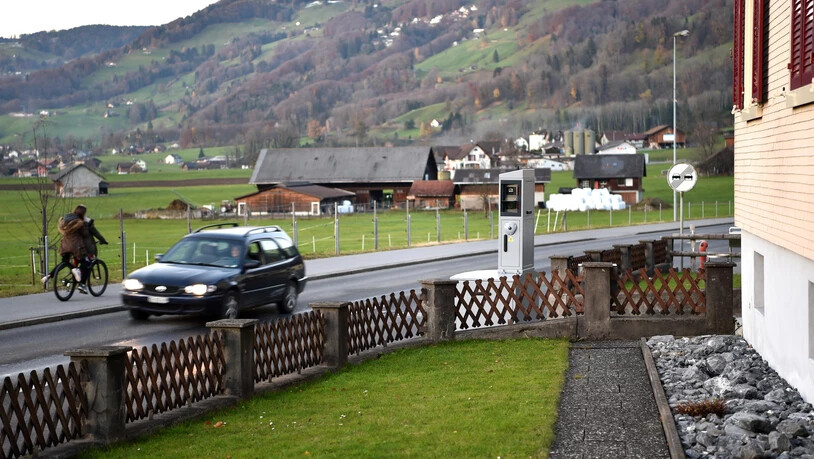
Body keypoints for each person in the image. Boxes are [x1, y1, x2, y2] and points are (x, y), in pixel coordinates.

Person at [42, 205, 107, 293]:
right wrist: (89, 224)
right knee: (86, 263)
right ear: (83, 213)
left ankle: (49, 275)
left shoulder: (66, 221)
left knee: (65, 262)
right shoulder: (80, 223)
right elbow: (86, 233)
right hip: (77, 247)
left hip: (64, 246)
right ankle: (82, 284)